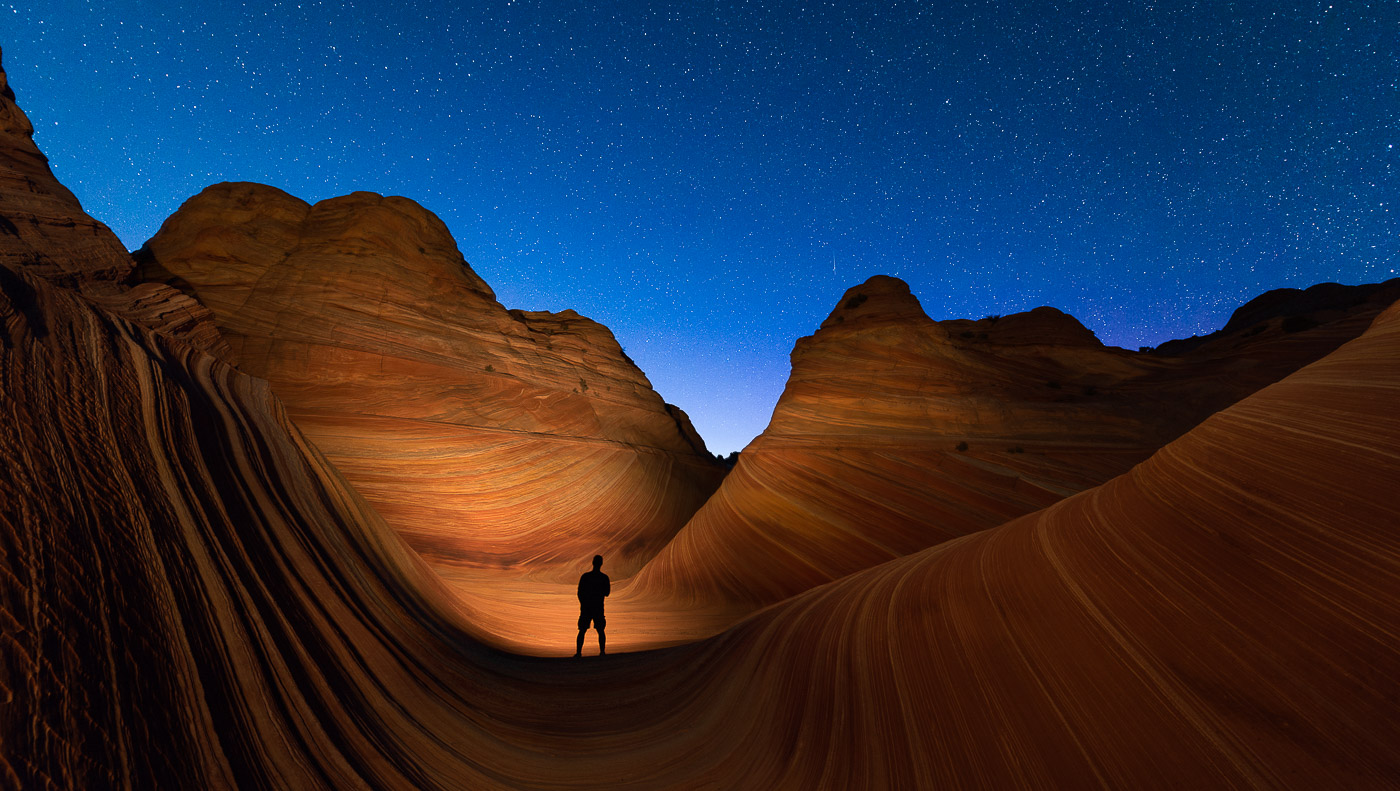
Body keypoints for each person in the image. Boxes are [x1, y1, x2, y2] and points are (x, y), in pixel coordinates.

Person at [574, 554, 610, 657]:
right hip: (597, 607)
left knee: (582, 630)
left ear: (593, 563)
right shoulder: (604, 578)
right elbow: (607, 593)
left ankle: (578, 653)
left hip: (587, 607)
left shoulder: (586, 577)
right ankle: (602, 652)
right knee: (600, 630)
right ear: (601, 564)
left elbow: (580, 593)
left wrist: (583, 603)